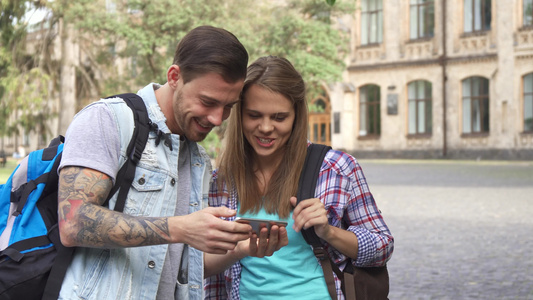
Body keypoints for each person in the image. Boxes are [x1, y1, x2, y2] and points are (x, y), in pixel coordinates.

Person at [56, 25, 254, 300]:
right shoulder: (107, 119)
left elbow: (181, 267)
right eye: (208, 102)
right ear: (175, 77)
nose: (217, 119)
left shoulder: (198, 161)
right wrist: (180, 228)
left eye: (228, 107)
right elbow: (74, 223)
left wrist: (241, 248)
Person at [204, 56, 394, 299]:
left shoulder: (337, 169)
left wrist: (328, 232)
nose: (265, 127)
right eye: (254, 115)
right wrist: (238, 250)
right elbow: (203, 269)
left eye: (279, 117)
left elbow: (383, 247)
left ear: (296, 117)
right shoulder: (223, 180)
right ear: (239, 114)